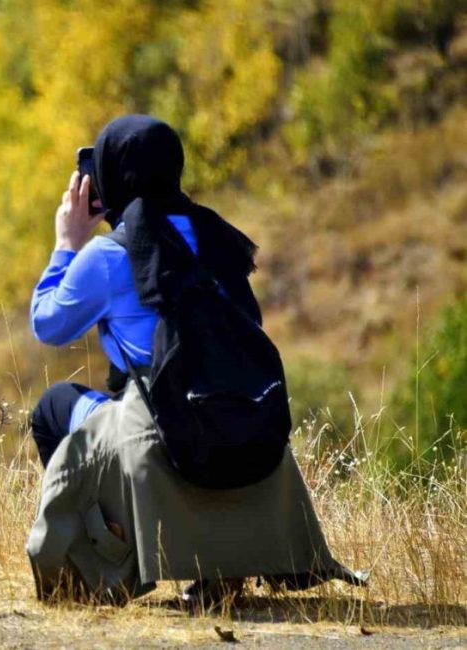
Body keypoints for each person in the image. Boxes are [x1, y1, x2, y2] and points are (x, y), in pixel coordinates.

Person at [25, 115, 364, 607]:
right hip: (238, 425)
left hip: (161, 428)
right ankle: (218, 575)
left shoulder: (107, 255)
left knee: (55, 408)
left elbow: (48, 325)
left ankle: (106, 553)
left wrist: (66, 243)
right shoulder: (216, 238)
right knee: (129, 397)